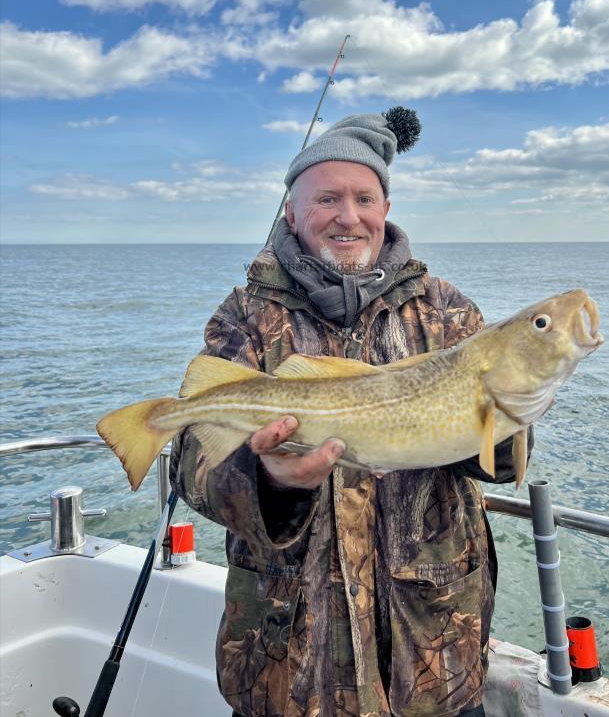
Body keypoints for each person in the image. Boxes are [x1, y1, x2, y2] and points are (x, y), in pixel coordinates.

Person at [171, 109, 530, 717]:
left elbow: (501, 465)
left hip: (436, 654)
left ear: (385, 208)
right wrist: (272, 481)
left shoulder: (446, 312)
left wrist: (507, 412)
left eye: (365, 197)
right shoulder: (244, 318)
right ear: (291, 213)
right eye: (327, 198)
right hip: (287, 665)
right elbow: (194, 468)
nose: (348, 215)